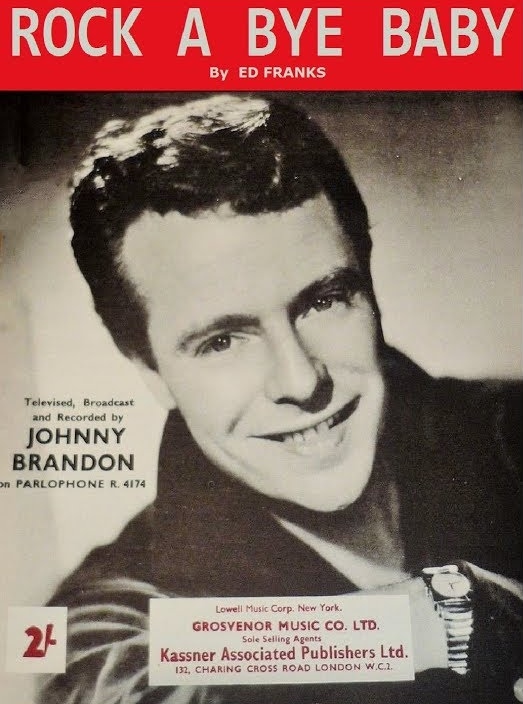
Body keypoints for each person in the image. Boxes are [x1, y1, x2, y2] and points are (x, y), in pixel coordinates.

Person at [39, 95, 521, 704]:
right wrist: (453, 615)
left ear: (370, 290)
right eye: (222, 341)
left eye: (324, 301)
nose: (299, 381)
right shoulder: (111, 618)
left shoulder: (507, 431)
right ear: (148, 368)